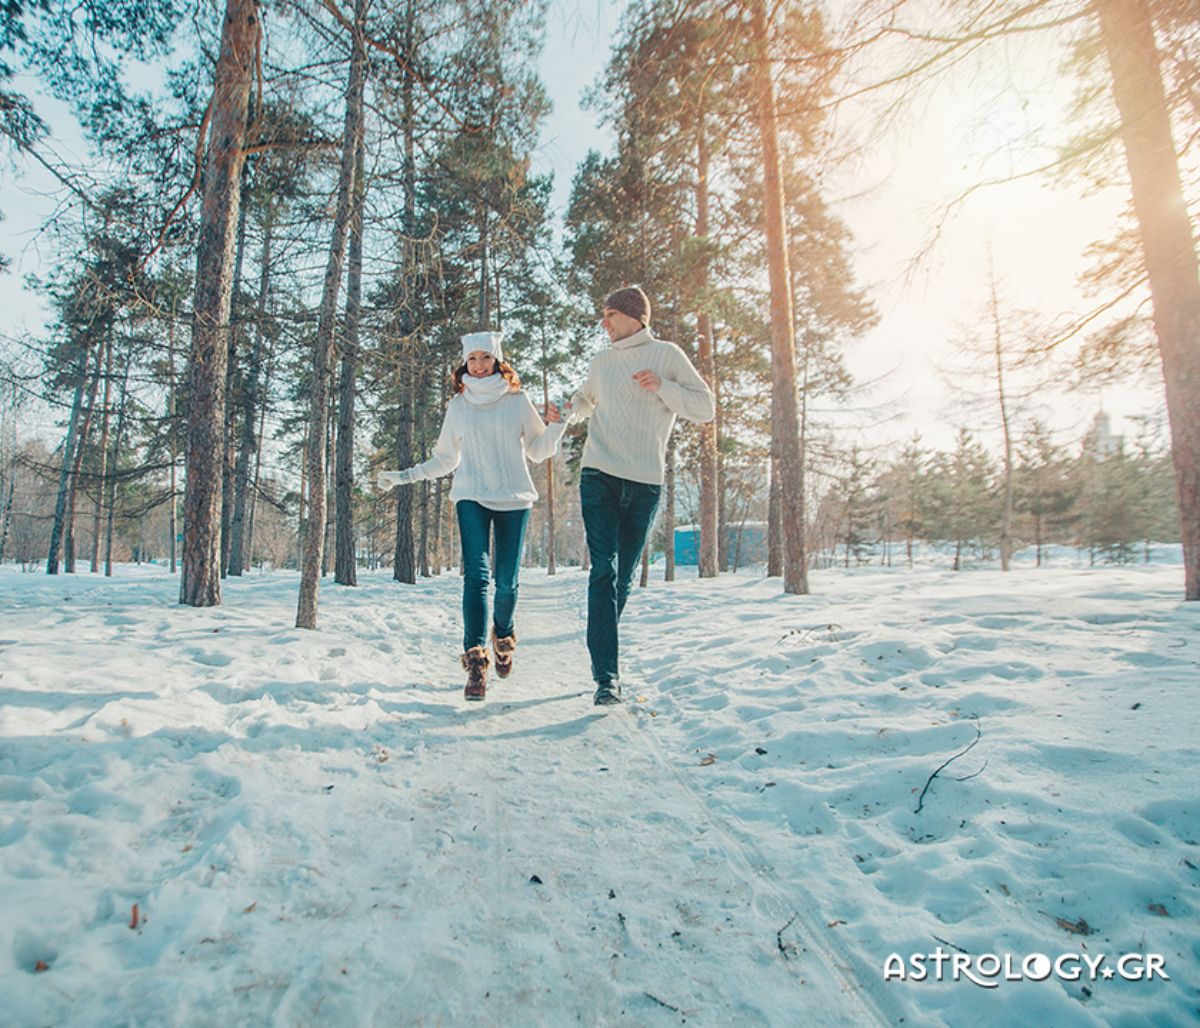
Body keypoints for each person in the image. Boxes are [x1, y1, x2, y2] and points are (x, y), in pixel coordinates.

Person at [377, 331, 565, 701]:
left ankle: (503, 638)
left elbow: (537, 451)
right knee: (476, 578)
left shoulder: (517, 401)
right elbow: (446, 458)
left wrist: (556, 425)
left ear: (497, 360)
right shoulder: (459, 406)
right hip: (471, 496)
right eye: (472, 359)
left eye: (485, 357)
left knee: (507, 581)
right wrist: (405, 476)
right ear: (465, 363)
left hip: (513, 498)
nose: (478, 365)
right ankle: (476, 662)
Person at [566, 287, 716, 706]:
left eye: (611, 314)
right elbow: (585, 399)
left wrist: (663, 386)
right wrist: (569, 409)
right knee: (604, 570)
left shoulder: (667, 355)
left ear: (635, 316)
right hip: (599, 473)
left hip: (645, 481)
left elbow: (705, 408)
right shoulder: (603, 361)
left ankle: (601, 640)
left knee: (624, 576)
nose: (604, 323)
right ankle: (606, 678)